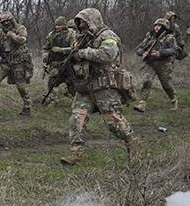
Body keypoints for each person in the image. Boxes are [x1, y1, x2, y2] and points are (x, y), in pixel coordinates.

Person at [60, 8, 137, 165]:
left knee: (113, 123)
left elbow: (107, 54)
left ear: (92, 21)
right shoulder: (81, 38)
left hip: (105, 86)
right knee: (76, 119)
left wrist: (83, 53)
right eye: (79, 23)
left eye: (83, 22)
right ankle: (76, 153)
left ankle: (132, 143)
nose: (81, 26)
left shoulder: (107, 36)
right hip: (85, 86)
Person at [0, 11, 33, 115]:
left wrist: (12, 35)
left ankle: (27, 106)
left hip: (19, 62)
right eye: (3, 22)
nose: (6, 23)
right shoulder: (1, 32)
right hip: (5, 62)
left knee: (21, 85)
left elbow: (22, 40)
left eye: (8, 21)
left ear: (12, 20)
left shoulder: (20, 28)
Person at [133, 18, 179, 112]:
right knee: (147, 81)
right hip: (150, 63)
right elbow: (139, 48)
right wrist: (142, 52)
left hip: (164, 63)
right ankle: (142, 103)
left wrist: (160, 53)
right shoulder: (150, 36)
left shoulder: (169, 38)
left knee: (166, 84)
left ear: (164, 27)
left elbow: (173, 50)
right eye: (156, 25)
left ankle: (173, 100)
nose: (156, 28)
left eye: (159, 26)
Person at [41, 15, 76, 104]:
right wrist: (45, 57)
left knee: (71, 83)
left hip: (68, 63)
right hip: (54, 63)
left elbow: (75, 48)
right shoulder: (51, 35)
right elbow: (46, 48)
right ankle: (53, 101)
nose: (57, 27)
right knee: (52, 82)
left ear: (64, 25)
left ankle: (77, 101)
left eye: (59, 25)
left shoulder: (71, 34)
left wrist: (62, 50)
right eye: (56, 25)